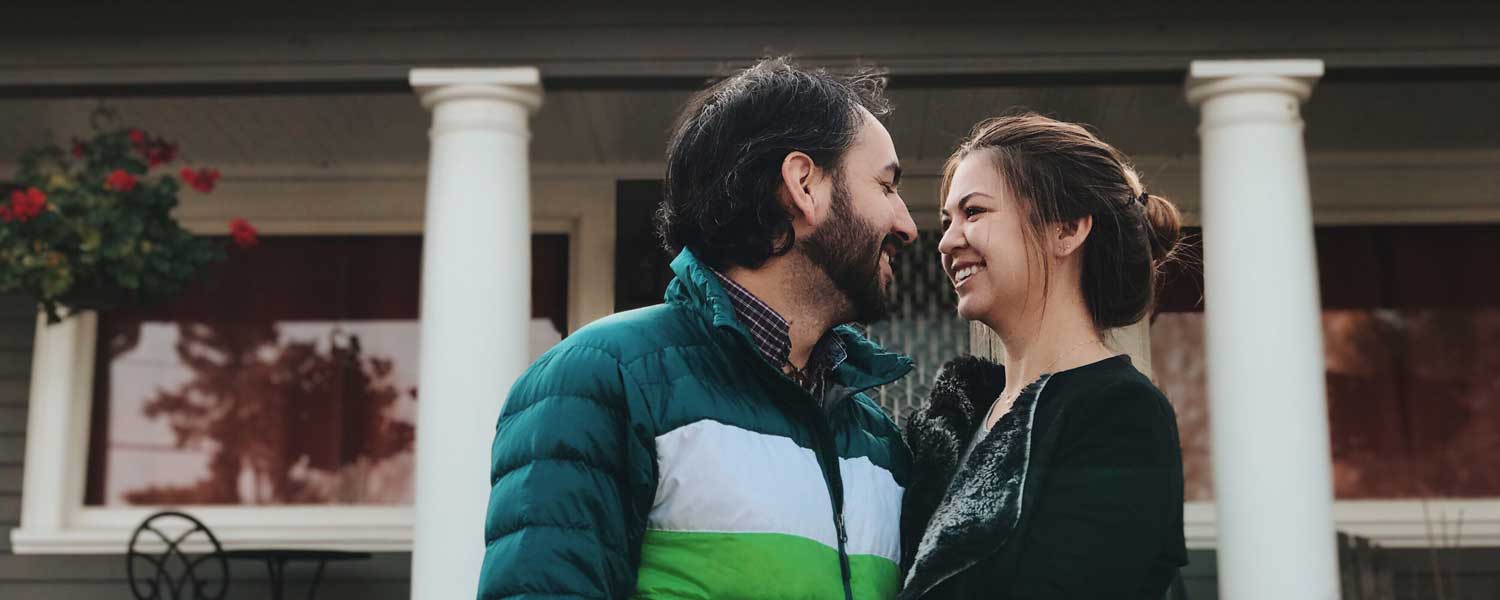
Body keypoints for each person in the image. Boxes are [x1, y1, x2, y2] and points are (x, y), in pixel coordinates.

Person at [477, 57, 919, 600]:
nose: (907, 225)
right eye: (887, 186)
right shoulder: (602, 381)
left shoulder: (879, 440)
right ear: (803, 184)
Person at [899, 113, 1189, 599]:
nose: (946, 242)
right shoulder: (956, 420)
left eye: (974, 212)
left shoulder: (1121, 414)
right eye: (948, 221)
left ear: (1067, 229)